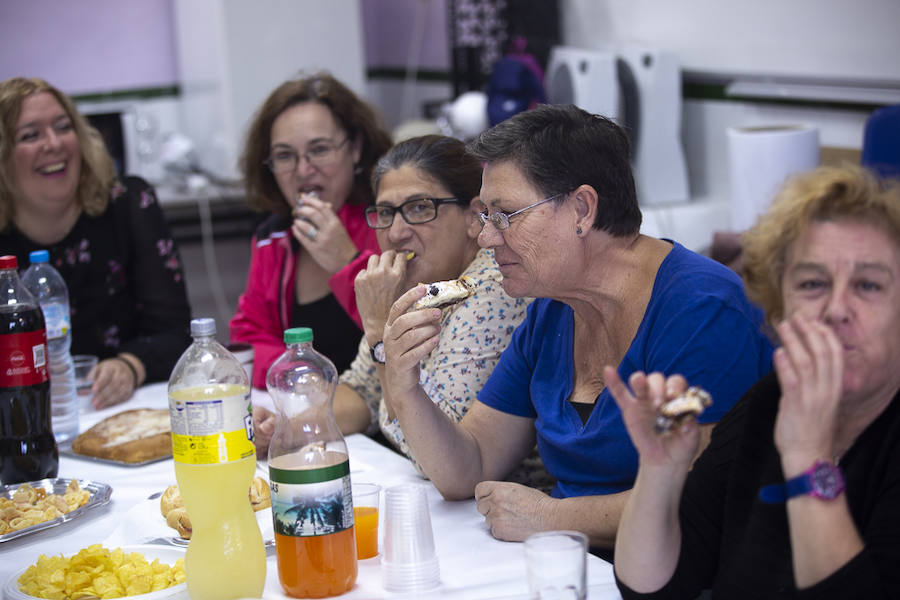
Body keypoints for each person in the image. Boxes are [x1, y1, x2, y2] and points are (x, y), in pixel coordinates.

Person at [378, 104, 774, 554]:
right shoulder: (553, 308)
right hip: (570, 562)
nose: (486, 237)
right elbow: (469, 466)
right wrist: (405, 387)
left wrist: (552, 518)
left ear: (582, 210)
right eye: (485, 216)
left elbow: (697, 499)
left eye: (504, 214)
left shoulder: (702, 310)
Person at [611, 165, 900, 599]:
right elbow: (652, 587)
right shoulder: (769, 402)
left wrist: (808, 455)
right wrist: (659, 470)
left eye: (869, 285)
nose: (837, 309)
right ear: (779, 312)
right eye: (813, 283)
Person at [252, 135, 549, 488]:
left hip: (513, 506)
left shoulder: (495, 287)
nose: (395, 233)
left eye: (420, 208)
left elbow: (432, 455)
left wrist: (380, 333)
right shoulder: (416, 282)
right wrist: (287, 424)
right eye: (386, 213)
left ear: (474, 218)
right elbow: (362, 391)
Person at [0, 77, 191, 408]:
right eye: (30, 135)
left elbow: (178, 334)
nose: (53, 144)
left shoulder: (129, 204)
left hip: (126, 408)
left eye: (63, 127)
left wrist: (130, 366)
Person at [229, 73, 393, 386]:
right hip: (306, 405)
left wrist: (346, 262)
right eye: (284, 156)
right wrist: (303, 379)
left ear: (355, 148)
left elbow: (407, 333)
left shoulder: (391, 223)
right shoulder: (273, 238)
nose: (303, 170)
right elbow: (247, 340)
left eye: (319, 149)